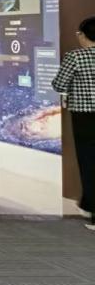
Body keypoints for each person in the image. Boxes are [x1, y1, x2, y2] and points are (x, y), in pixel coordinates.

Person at [52, 15, 95, 231]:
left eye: (79, 33)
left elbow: (58, 83)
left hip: (85, 116)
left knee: (89, 162)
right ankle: (87, 204)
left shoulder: (75, 57)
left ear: (84, 35)